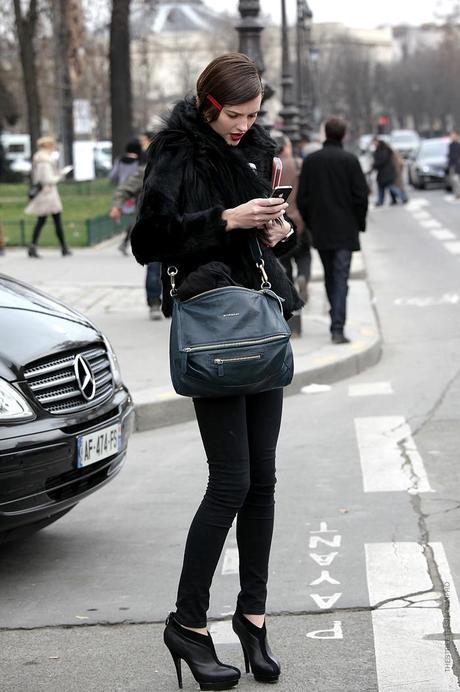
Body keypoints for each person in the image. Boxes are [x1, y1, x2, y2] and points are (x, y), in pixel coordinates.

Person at [131, 52, 302, 691]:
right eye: (236, 115)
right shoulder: (177, 152)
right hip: (212, 327)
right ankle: (188, 624)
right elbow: (149, 241)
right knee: (229, 481)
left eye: (254, 115)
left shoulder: (259, 149)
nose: (245, 125)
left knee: (264, 482)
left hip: (259, 321)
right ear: (209, 104)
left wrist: (278, 231)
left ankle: (253, 620)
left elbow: (280, 240)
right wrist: (226, 220)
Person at [297, 116, 368, 344]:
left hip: (321, 229)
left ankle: (335, 319)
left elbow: (302, 198)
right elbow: (361, 197)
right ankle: (337, 326)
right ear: (344, 135)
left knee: (330, 275)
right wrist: (359, 223)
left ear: (325, 134)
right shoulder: (350, 160)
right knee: (340, 276)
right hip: (346, 229)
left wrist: (310, 223)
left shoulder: (311, 161)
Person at [109, 132, 162, 319]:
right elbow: (123, 189)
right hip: (153, 225)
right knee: (155, 267)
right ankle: (154, 303)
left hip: (178, 226)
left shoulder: (181, 170)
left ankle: (174, 302)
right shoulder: (146, 171)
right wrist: (117, 206)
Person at [272, 131, 311, 303]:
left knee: (284, 260)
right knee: (304, 254)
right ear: (287, 147)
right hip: (300, 218)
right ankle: (303, 276)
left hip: (279, 220)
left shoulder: (272, 166)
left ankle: (291, 291)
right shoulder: (298, 163)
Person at [25, 136, 72, 258]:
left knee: (45, 221)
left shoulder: (41, 159)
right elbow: (47, 179)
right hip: (48, 194)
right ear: (48, 146)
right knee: (50, 220)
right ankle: (62, 248)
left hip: (47, 193)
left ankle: (61, 247)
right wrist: (60, 175)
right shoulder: (44, 161)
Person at [109, 138, 142, 255]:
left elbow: (113, 176)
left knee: (135, 219)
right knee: (136, 219)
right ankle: (125, 242)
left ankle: (125, 241)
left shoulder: (119, 160)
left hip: (123, 191)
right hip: (135, 192)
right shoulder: (139, 162)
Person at [371, 137, 399, 206]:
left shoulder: (383, 150)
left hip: (386, 173)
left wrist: (374, 165)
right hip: (384, 173)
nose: (374, 144)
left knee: (390, 187)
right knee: (383, 187)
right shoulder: (381, 150)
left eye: (374, 142)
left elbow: (381, 161)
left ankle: (403, 196)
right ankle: (382, 201)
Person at [447, 129, 460, 199]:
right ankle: (456, 194)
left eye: (454, 135)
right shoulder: (450, 145)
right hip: (452, 166)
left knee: (456, 180)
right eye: (451, 135)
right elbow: (450, 156)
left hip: (458, 165)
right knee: (454, 181)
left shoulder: (458, 145)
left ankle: (458, 193)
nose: (452, 136)